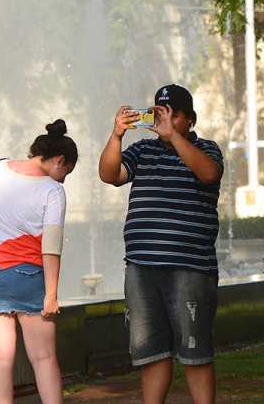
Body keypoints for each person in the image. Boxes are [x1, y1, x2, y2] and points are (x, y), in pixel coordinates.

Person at [98, 84, 224, 404]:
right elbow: (110, 175)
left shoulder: (206, 149)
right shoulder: (142, 150)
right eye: (158, 114)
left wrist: (174, 138)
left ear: (190, 119)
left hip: (190, 268)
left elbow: (209, 174)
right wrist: (116, 135)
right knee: (151, 353)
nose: (163, 121)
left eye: (172, 115)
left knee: (195, 353)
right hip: (142, 268)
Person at [0, 119, 78, 404]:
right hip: (26, 278)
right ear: (59, 160)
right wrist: (51, 294)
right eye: (66, 172)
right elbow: (51, 247)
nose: (64, 179)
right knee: (43, 358)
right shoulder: (52, 191)